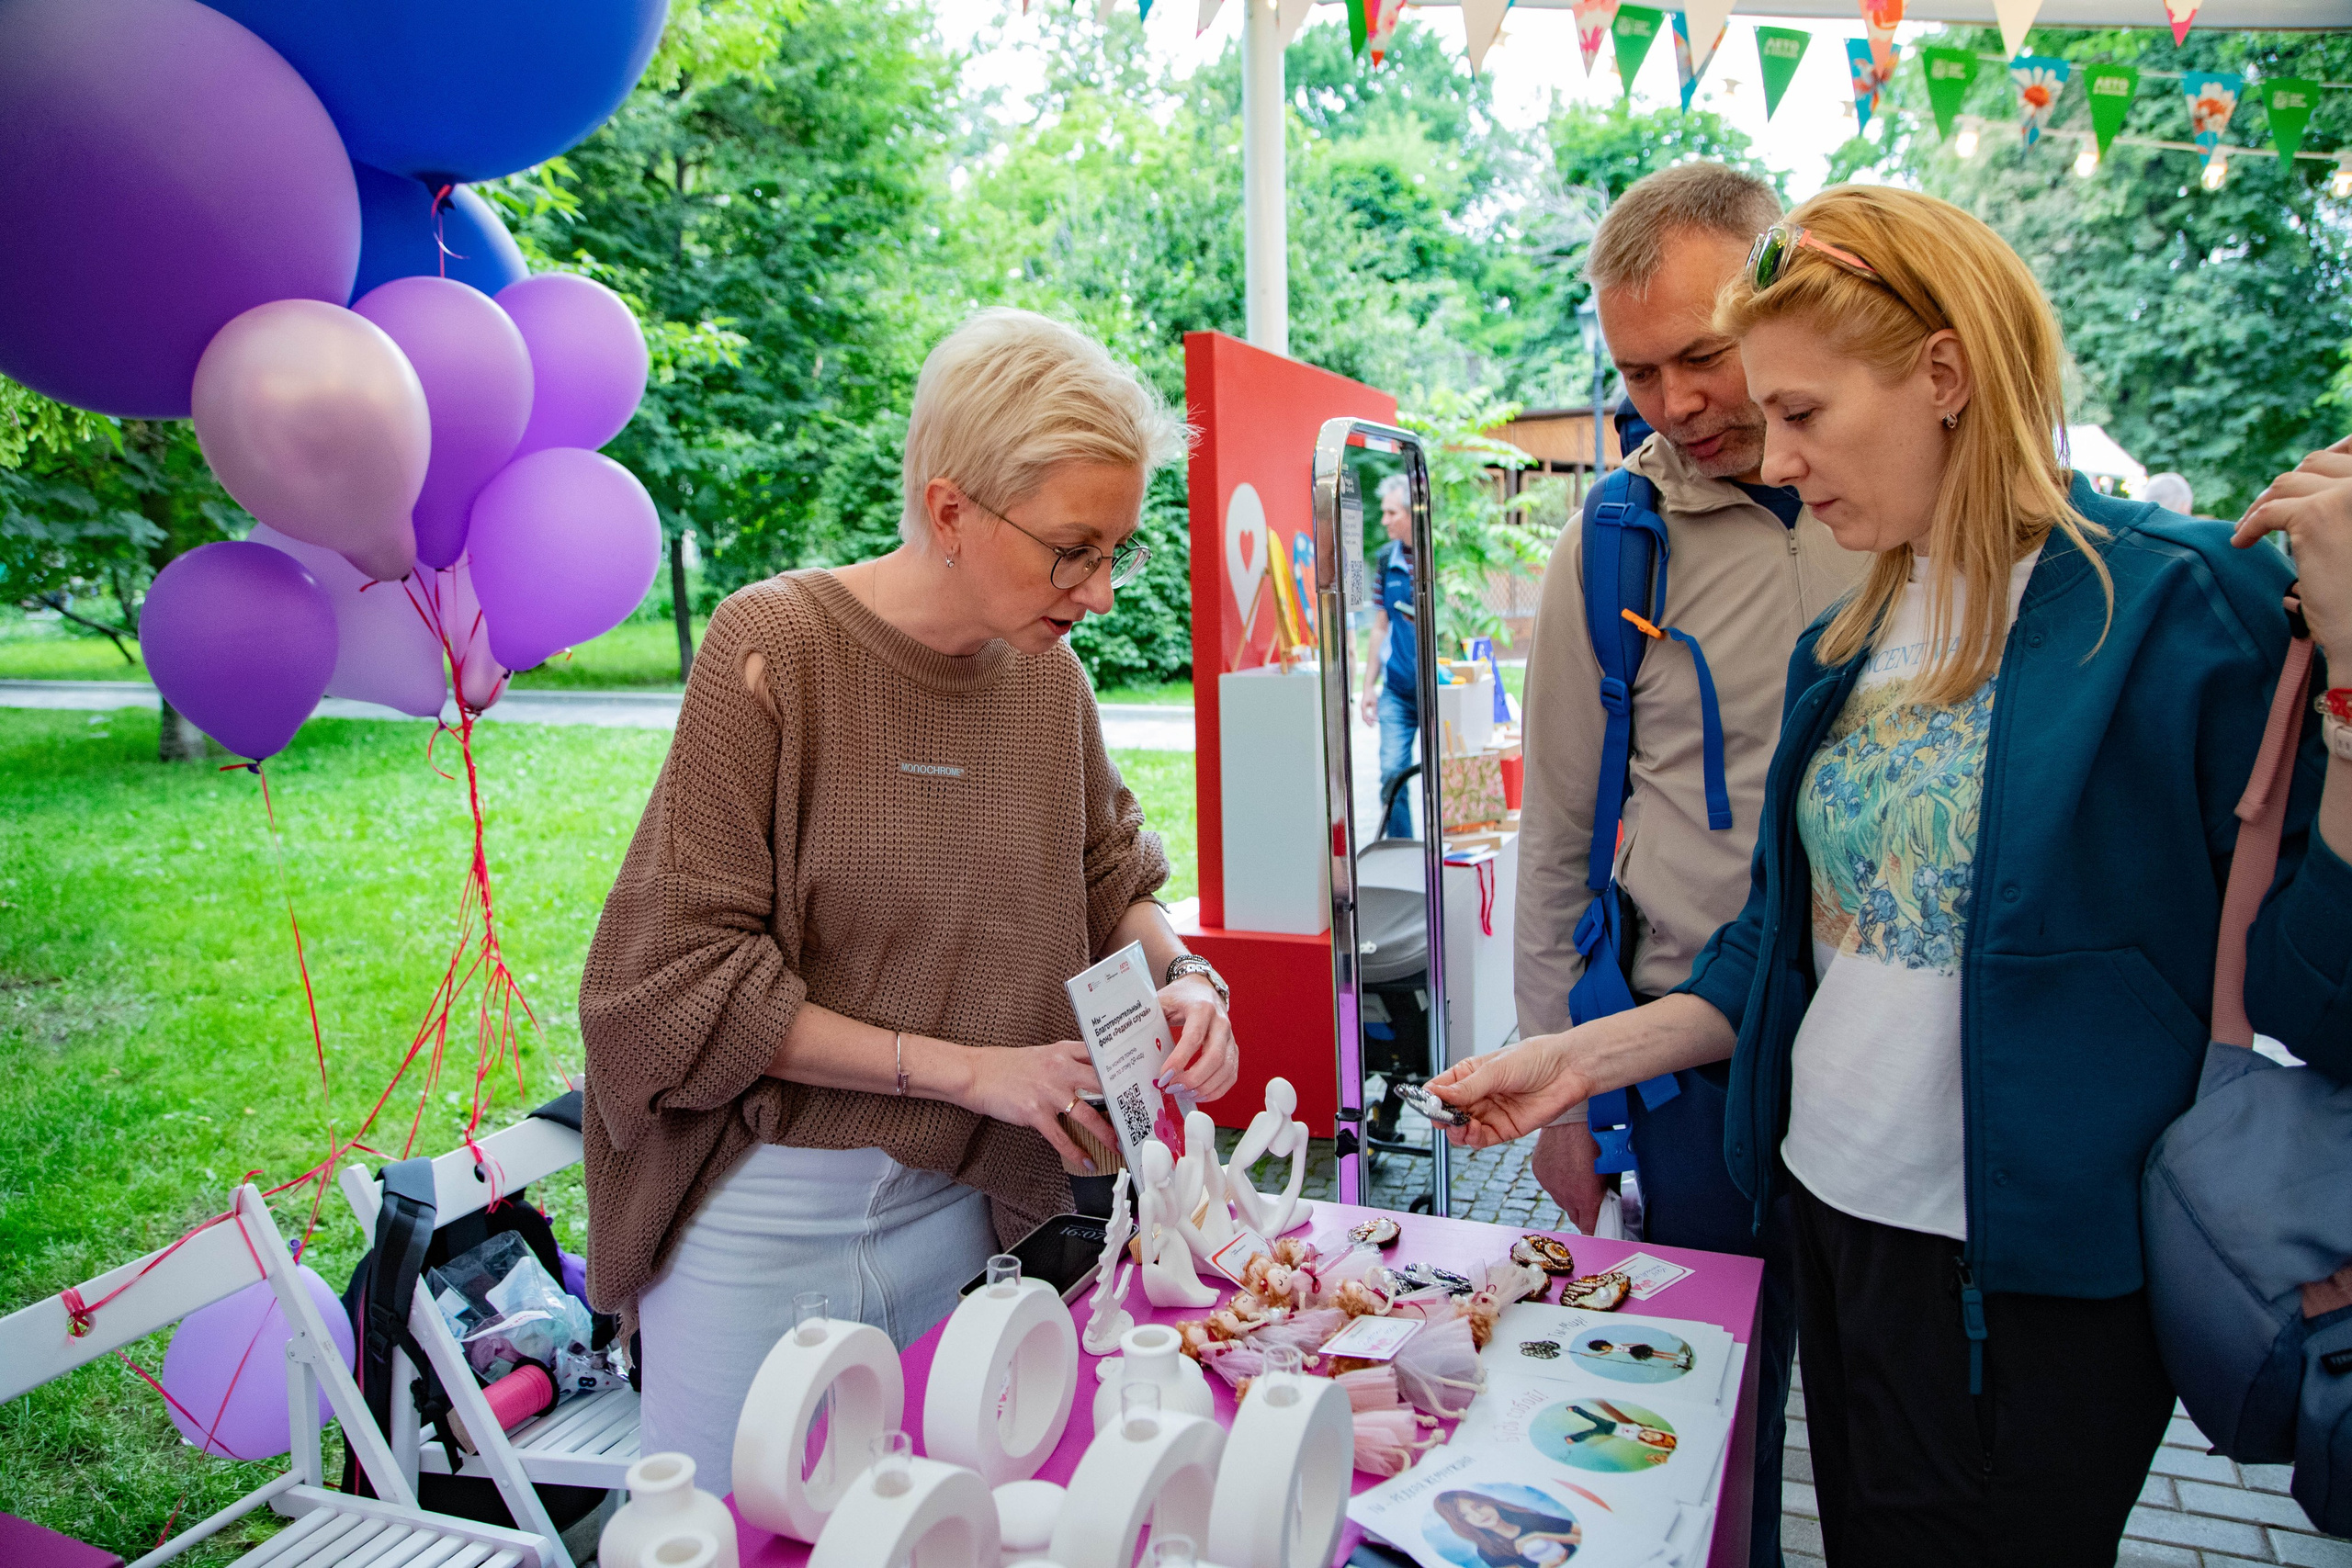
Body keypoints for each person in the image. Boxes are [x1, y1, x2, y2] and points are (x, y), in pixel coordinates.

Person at [1437, 186, 2352, 1563]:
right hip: (1831, 1216)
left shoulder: (2176, 612)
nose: (1779, 456)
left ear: (1943, 373)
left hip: (2037, 1286)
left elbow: (2314, 991)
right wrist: (1575, 1059)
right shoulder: (1850, 640)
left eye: (1803, 413)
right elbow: (1783, 948)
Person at [578, 308, 1244, 1485]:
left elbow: (1110, 881)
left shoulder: (1051, 685)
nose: (1096, 593)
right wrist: (973, 1070)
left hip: (960, 1211)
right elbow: (686, 985)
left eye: (1117, 552)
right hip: (758, 1215)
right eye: (1071, 550)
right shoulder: (774, 652)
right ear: (949, 510)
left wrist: (1184, 977)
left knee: (933, 1523)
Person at [1515, 160, 1867, 1568]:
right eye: (1641, 371)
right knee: (1702, 1438)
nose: (1677, 404)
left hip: (1889, 1063)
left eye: (1705, 353)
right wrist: (1560, 1082)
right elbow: (1556, 839)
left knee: (1882, 1425)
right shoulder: (1616, 544)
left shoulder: (1908, 510)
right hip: (1687, 1071)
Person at [1361, 472, 1420, 839]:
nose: (1384, 521)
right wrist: (1368, 686)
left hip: (1437, 688)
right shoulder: (1386, 560)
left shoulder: (1438, 557)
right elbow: (1380, 626)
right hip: (1397, 690)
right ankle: (1406, 852)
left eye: (1391, 513)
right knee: (1392, 774)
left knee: (1453, 774)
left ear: (1413, 513)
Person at [1432, 1490, 1585, 1568]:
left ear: (1488, 1502)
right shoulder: (1487, 1550)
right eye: (1465, 1516)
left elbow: (1583, 1536)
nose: (1478, 1516)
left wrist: (1539, 1535)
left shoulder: (1527, 1518)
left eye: (1478, 1506)